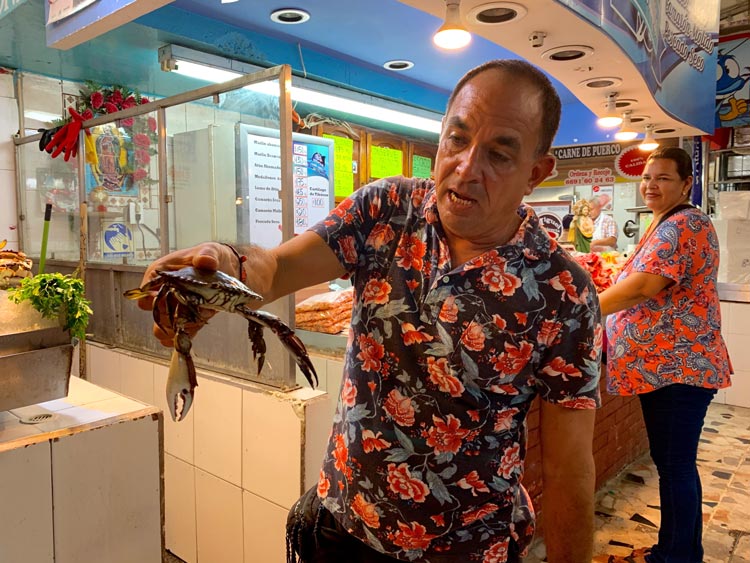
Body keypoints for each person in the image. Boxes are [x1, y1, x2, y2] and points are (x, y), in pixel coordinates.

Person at [136, 60, 602, 563]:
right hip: (343, 528)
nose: (466, 168)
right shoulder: (386, 210)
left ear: (536, 172)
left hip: (469, 550)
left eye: (499, 154)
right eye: (457, 139)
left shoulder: (563, 292)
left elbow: (569, 468)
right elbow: (274, 269)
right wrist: (226, 264)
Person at [597, 147, 732, 563]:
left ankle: (673, 557)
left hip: (677, 368)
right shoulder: (668, 221)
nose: (651, 185)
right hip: (671, 366)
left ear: (686, 184)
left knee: (674, 467)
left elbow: (642, 287)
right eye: (647, 177)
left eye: (663, 178)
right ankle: (681, 550)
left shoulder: (685, 223)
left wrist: (580, 308)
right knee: (676, 465)